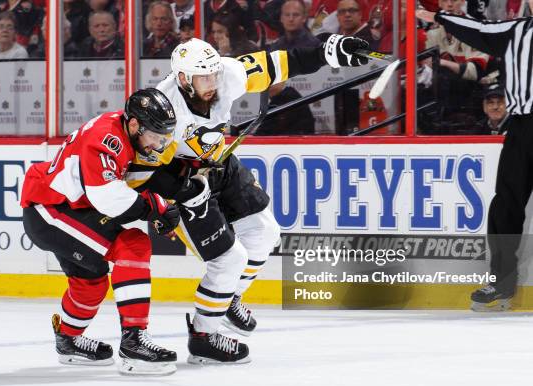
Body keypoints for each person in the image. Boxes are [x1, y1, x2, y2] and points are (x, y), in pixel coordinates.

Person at [124, 35, 369, 364]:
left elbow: (281, 61)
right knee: (229, 259)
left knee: (266, 233)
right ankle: (203, 337)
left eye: (214, 74)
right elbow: (140, 174)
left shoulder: (227, 74)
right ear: (183, 79)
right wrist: (170, 199)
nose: (213, 82)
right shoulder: (165, 110)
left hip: (219, 163)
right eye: (204, 78)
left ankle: (230, 298)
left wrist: (330, 51)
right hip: (182, 181)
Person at [20, 88, 181, 375]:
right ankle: (134, 342)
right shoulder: (107, 139)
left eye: (162, 138)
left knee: (91, 279)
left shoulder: (122, 129)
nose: (158, 145)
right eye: (155, 137)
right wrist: (154, 206)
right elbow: (106, 196)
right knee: (134, 245)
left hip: (65, 208)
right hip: (50, 210)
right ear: (134, 125)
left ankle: (68, 340)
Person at [417, 8, 531, 310]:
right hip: (521, 126)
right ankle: (502, 281)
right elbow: (479, 29)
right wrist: (441, 17)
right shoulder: (516, 31)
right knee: (506, 202)